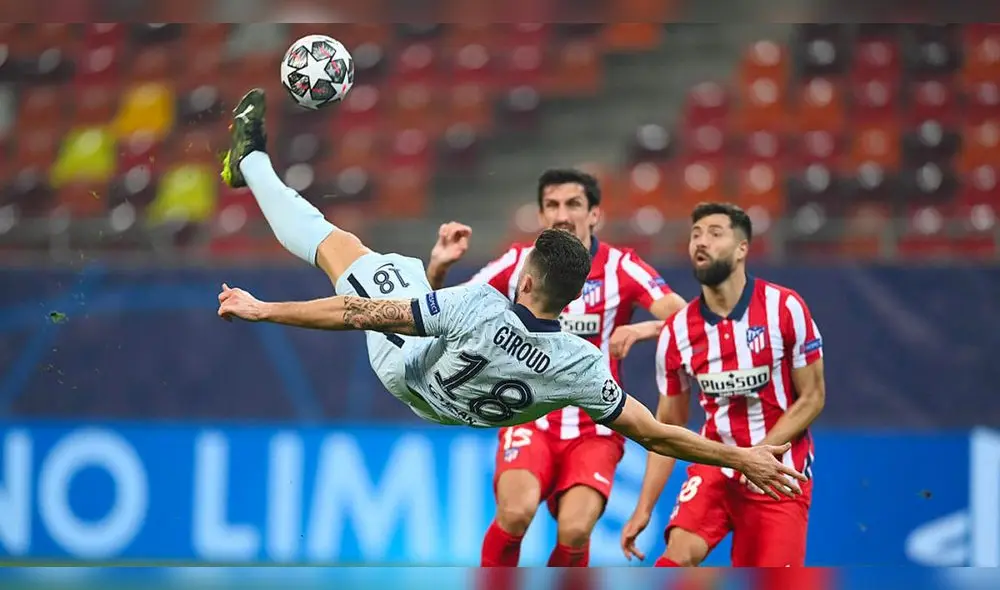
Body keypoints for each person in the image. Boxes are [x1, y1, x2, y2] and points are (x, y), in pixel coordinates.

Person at [215, 88, 807, 537]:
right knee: (402, 275)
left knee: (339, 247)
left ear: (524, 276)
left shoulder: (480, 303)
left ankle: (251, 165)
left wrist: (265, 309)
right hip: (454, 412)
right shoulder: (578, 362)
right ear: (576, 299)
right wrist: (739, 457)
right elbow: (656, 434)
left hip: (409, 368)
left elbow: (355, 313)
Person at [425, 169, 686, 567]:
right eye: (552, 205)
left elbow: (686, 320)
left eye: (573, 204)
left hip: (596, 427)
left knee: (576, 530)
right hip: (528, 415)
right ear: (542, 214)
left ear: (595, 214)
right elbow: (445, 308)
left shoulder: (622, 268)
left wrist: (644, 327)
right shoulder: (518, 263)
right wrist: (439, 268)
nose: (562, 215)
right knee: (514, 514)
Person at [619, 202, 826, 568]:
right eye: (695, 234)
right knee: (675, 561)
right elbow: (667, 427)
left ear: (742, 248)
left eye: (715, 233)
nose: (701, 241)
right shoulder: (678, 332)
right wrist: (644, 508)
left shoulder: (785, 307)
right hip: (715, 465)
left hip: (780, 473)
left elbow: (812, 397)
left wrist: (757, 455)